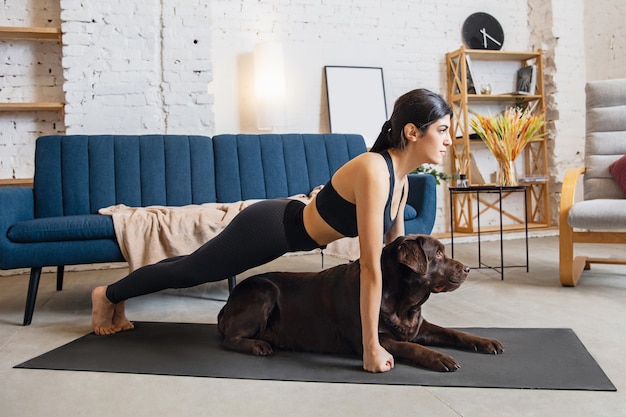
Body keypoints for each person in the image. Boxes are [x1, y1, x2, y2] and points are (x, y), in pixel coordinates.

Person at [91, 88, 453, 373]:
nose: (449, 139)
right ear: (412, 132)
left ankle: (117, 297)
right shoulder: (375, 170)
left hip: (290, 227)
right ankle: (108, 295)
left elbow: (394, 262)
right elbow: (372, 268)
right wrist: (371, 346)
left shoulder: (400, 180)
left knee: (190, 267)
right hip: (271, 227)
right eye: (442, 130)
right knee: (190, 270)